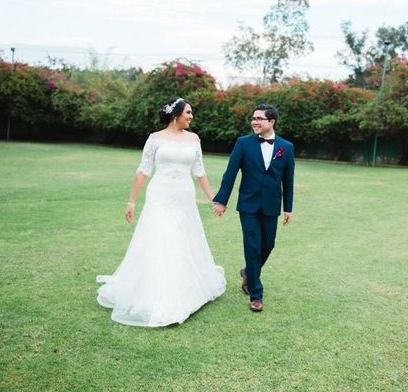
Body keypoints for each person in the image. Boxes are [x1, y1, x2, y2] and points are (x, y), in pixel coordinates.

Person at [96, 97, 226, 327]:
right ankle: (156, 291)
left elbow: (200, 172)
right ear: (176, 114)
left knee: (182, 238)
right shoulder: (155, 139)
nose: (191, 116)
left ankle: (183, 287)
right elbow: (143, 170)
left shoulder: (194, 139)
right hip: (160, 195)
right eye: (188, 112)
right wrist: (131, 202)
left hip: (183, 197)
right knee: (160, 238)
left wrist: (214, 199)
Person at [213, 103, 295, 312]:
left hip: (272, 205)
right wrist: (222, 200)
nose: (255, 122)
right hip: (248, 204)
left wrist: (288, 208)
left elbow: (288, 179)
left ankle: (248, 271)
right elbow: (230, 173)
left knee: (268, 244)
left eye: (260, 118)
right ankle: (256, 294)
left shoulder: (286, 147)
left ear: (271, 122)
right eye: (253, 118)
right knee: (252, 245)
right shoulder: (243, 144)